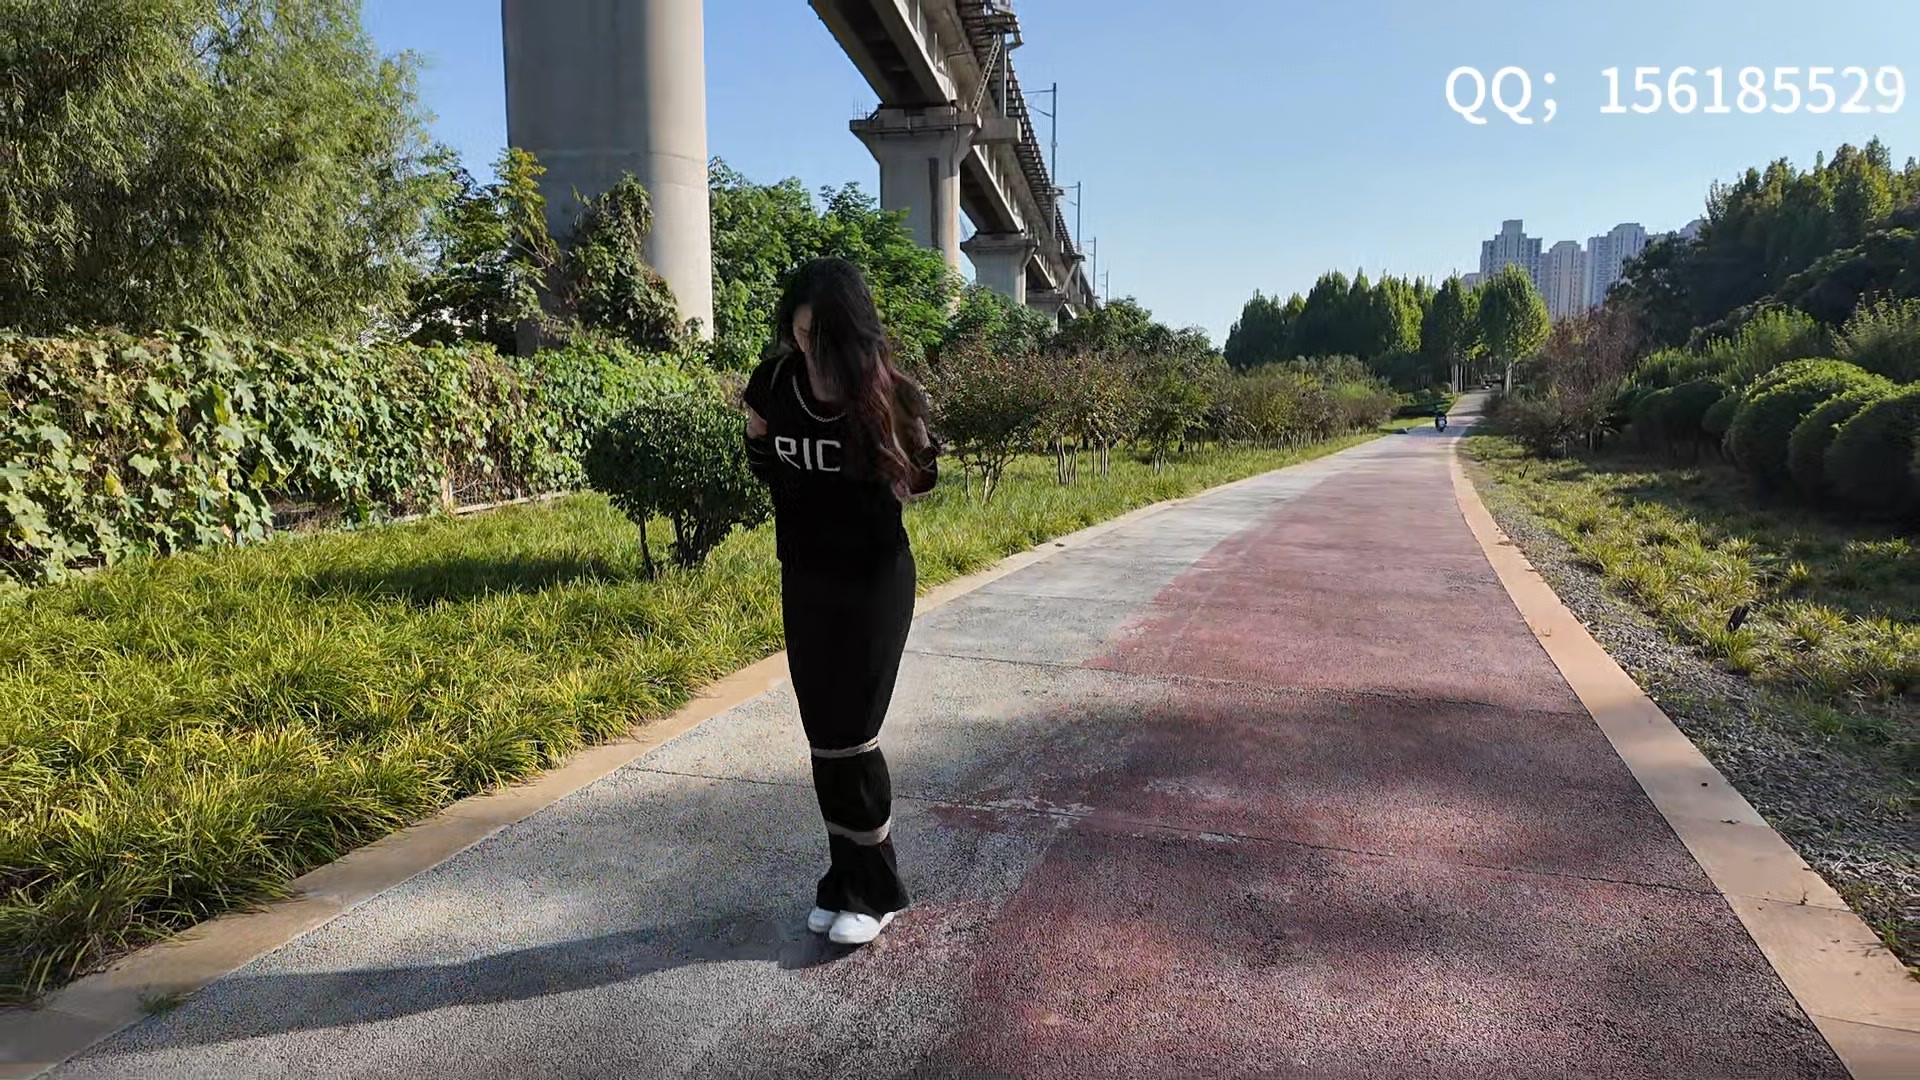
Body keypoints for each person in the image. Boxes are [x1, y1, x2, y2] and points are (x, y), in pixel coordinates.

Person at [739, 257, 938, 947]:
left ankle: (875, 890)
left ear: (850, 335)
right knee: (824, 736)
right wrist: (758, 439)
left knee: (852, 734)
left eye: (818, 336)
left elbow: (923, 479)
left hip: (874, 581)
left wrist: (905, 445)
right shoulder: (774, 383)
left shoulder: (884, 393)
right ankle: (844, 879)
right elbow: (763, 465)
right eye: (798, 332)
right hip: (805, 576)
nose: (805, 347)